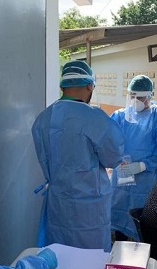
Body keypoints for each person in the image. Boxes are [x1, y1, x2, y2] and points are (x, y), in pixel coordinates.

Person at [32, 60, 124, 252]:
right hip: (89, 205)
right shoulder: (95, 118)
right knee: (90, 259)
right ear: (90, 85)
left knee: (60, 254)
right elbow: (112, 159)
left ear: (62, 86)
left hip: (58, 201)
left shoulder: (43, 118)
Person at [110, 75, 157, 241]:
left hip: (147, 181)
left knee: (145, 224)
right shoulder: (119, 116)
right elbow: (108, 142)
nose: (135, 101)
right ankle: (121, 259)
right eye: (132, 97)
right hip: (122, 179)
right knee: (120, 219)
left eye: (139, 97)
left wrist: (143, 165)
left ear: (149, 96)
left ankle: (147, 260)